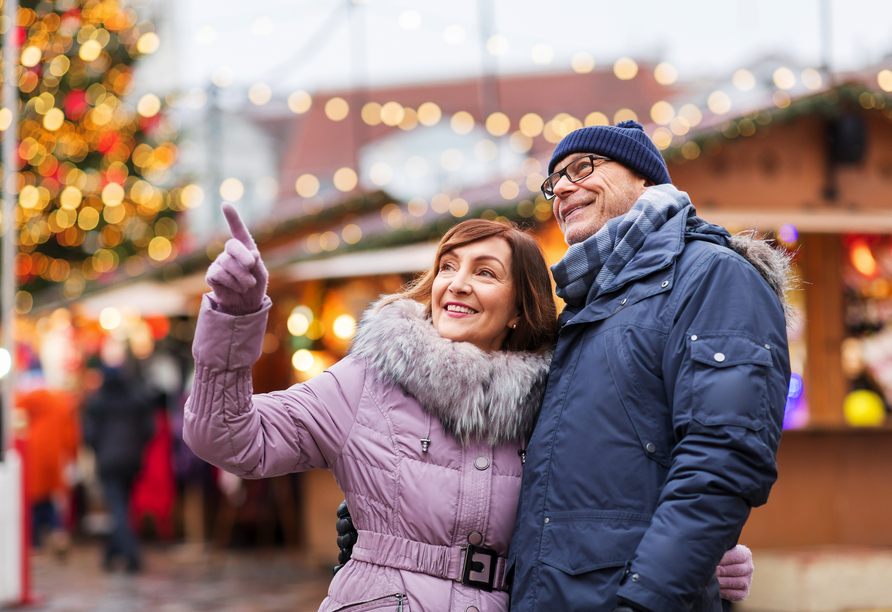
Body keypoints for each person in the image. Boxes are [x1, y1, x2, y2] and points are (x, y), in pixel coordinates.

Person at [184, 205, 751, 612]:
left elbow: (611, 503)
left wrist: (704, 558)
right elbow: (226, 438)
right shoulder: (367, 381)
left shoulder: (555, 408)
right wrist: (234, 317)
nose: (456, 284)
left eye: (485, 272)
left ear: (517, 310)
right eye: (448, 266)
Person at [507, 120, 793, 612]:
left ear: (645, 180)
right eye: (554, 183)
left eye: (583, 167)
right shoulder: (583, 306)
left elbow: (722, 456)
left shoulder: (711, 275)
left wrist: (648, 599)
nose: (563, 190)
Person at [83, 366, 156, 572]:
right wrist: (136, 447)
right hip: (132, 462)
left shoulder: (98, 403)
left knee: (118, 508)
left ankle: (132, 556)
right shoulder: (137, 400)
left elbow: (89, 435)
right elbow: (150, 429)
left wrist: (100, 451)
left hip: (108, 462)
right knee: (122, 506)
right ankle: (110, 554)